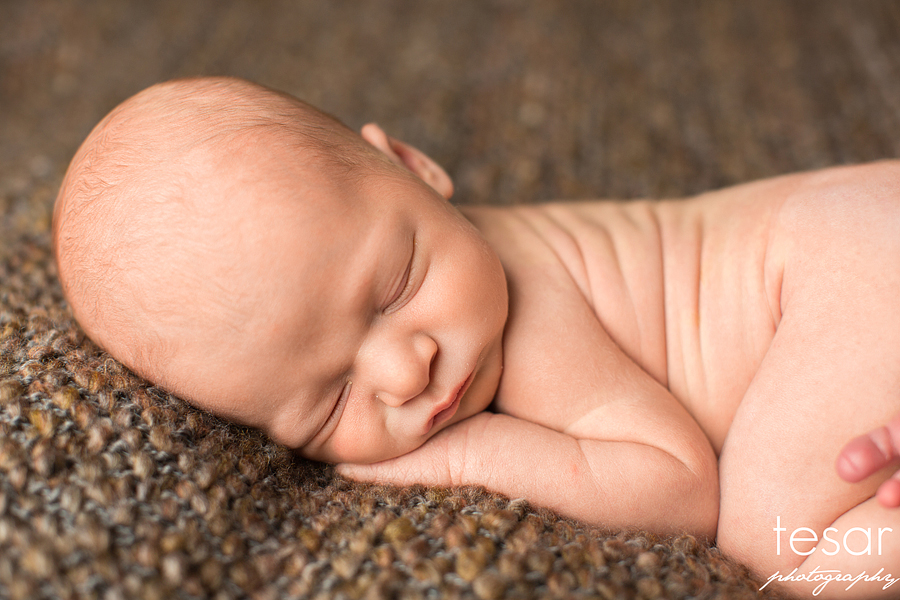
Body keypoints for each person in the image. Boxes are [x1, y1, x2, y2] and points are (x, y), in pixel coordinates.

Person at [53, 76, 900, 598]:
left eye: (395, 286)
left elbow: (679, 487)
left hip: (846, 261)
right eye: (330, 401)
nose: (404, 371)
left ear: (415, 167)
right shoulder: (452, 283)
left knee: (779, 556)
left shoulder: (526, 316)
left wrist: (467, 457)